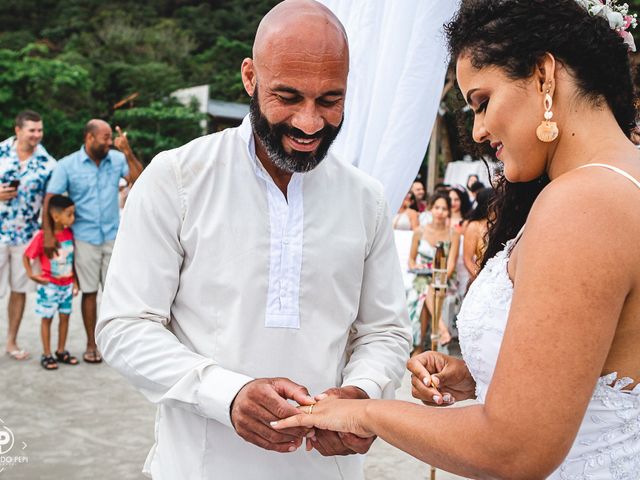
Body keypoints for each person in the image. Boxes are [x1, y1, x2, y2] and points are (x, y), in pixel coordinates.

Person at [272, 1, 640, 478]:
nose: (480, 131)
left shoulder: (582, 205)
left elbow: (513, 451)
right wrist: (482, 380)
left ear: (545, 74)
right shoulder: (621, 182)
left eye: (482, 102)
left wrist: (365, 413)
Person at [95, 1, 411, 479]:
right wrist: (227, 394)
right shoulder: (177, 178)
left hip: (329, 470)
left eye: (330, 100)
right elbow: (124, 326)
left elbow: (385, 331)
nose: (309, 123)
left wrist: (363, 393)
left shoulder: (365, 198)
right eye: (288, 96)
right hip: (199, 466)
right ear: (250, 77)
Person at [44, 121, 143, 364]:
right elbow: (50, 199)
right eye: (105, 138)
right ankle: (91, 344)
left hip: (113, 236)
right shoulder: (67, 165)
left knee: (117, 293)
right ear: (89, 137)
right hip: (84, 238)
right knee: (89, 293)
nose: (110, 143)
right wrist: (48, 234)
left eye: (111, 138)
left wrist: (127, 152)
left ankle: (119, 347)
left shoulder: (117, 159)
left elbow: (140, 181)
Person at [0, 110, 56, 360]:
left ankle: (11, 341)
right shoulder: (0, 153)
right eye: (32, 130)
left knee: (18, 290)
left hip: (26, 237)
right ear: (18, 130)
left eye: (40, 130)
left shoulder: (48, 163)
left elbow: (49, 202)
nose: (37, 135)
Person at [23, 195, 79, 370]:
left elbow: (72, 260)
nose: (73, 218)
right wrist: (32, 275)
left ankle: (61, 351)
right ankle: (47, 354)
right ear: (56, 216)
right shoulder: (42, 237)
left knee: (65, 317)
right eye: (69, 215)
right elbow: (26, 256)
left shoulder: (69, 233)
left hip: (67, 285)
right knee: (46, 319)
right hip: (49, 287)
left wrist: (75, 282)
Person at [407, 192, 460, 352]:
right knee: (424, 290)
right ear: (430, 209)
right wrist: (418, 267)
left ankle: (420, 347)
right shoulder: (419, 232)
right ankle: (435, 335)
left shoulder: (453, 234)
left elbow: (451, 264)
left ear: (448, 212)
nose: (440, 212)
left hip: (444, 277)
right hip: (421, 277)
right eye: (437, 207)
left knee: (428, 289)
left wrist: (439, 276)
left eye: (444, 209)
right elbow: (411, 259)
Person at [463, 187, 494, 280]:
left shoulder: (503, 225)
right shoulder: (474, 226)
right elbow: (468, 259)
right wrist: (480, 279)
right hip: (482, 280)